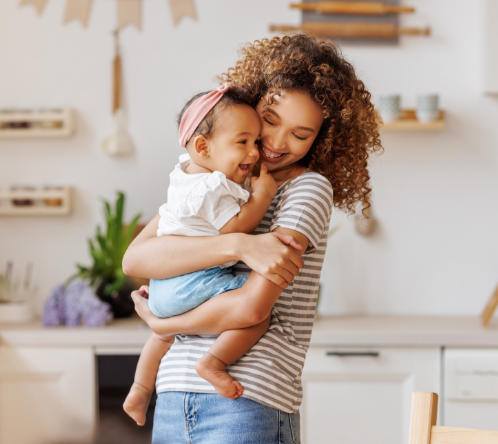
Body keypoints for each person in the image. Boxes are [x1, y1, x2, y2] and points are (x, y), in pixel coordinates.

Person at [124, 33, 382, 443]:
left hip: (247, 400)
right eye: (270, 121)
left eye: (301, 135)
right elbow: (136, 260)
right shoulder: (216, 181)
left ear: (322, 139)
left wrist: (162, 322)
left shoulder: (307, 189)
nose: (277, 144)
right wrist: (240, 244)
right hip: (173, 396)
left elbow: (250, 308)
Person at [123, 84, 280, 426]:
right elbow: (236, 227)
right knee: (259, 312)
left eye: (256, 142)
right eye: (243, 142)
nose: (254, 153)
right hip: (193, 281)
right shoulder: (212, 186)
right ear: (202, 146)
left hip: (164, 287)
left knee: (162, 334)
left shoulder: (184, 175)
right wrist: (262, 196)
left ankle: (139, 388)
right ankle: (214, 362)